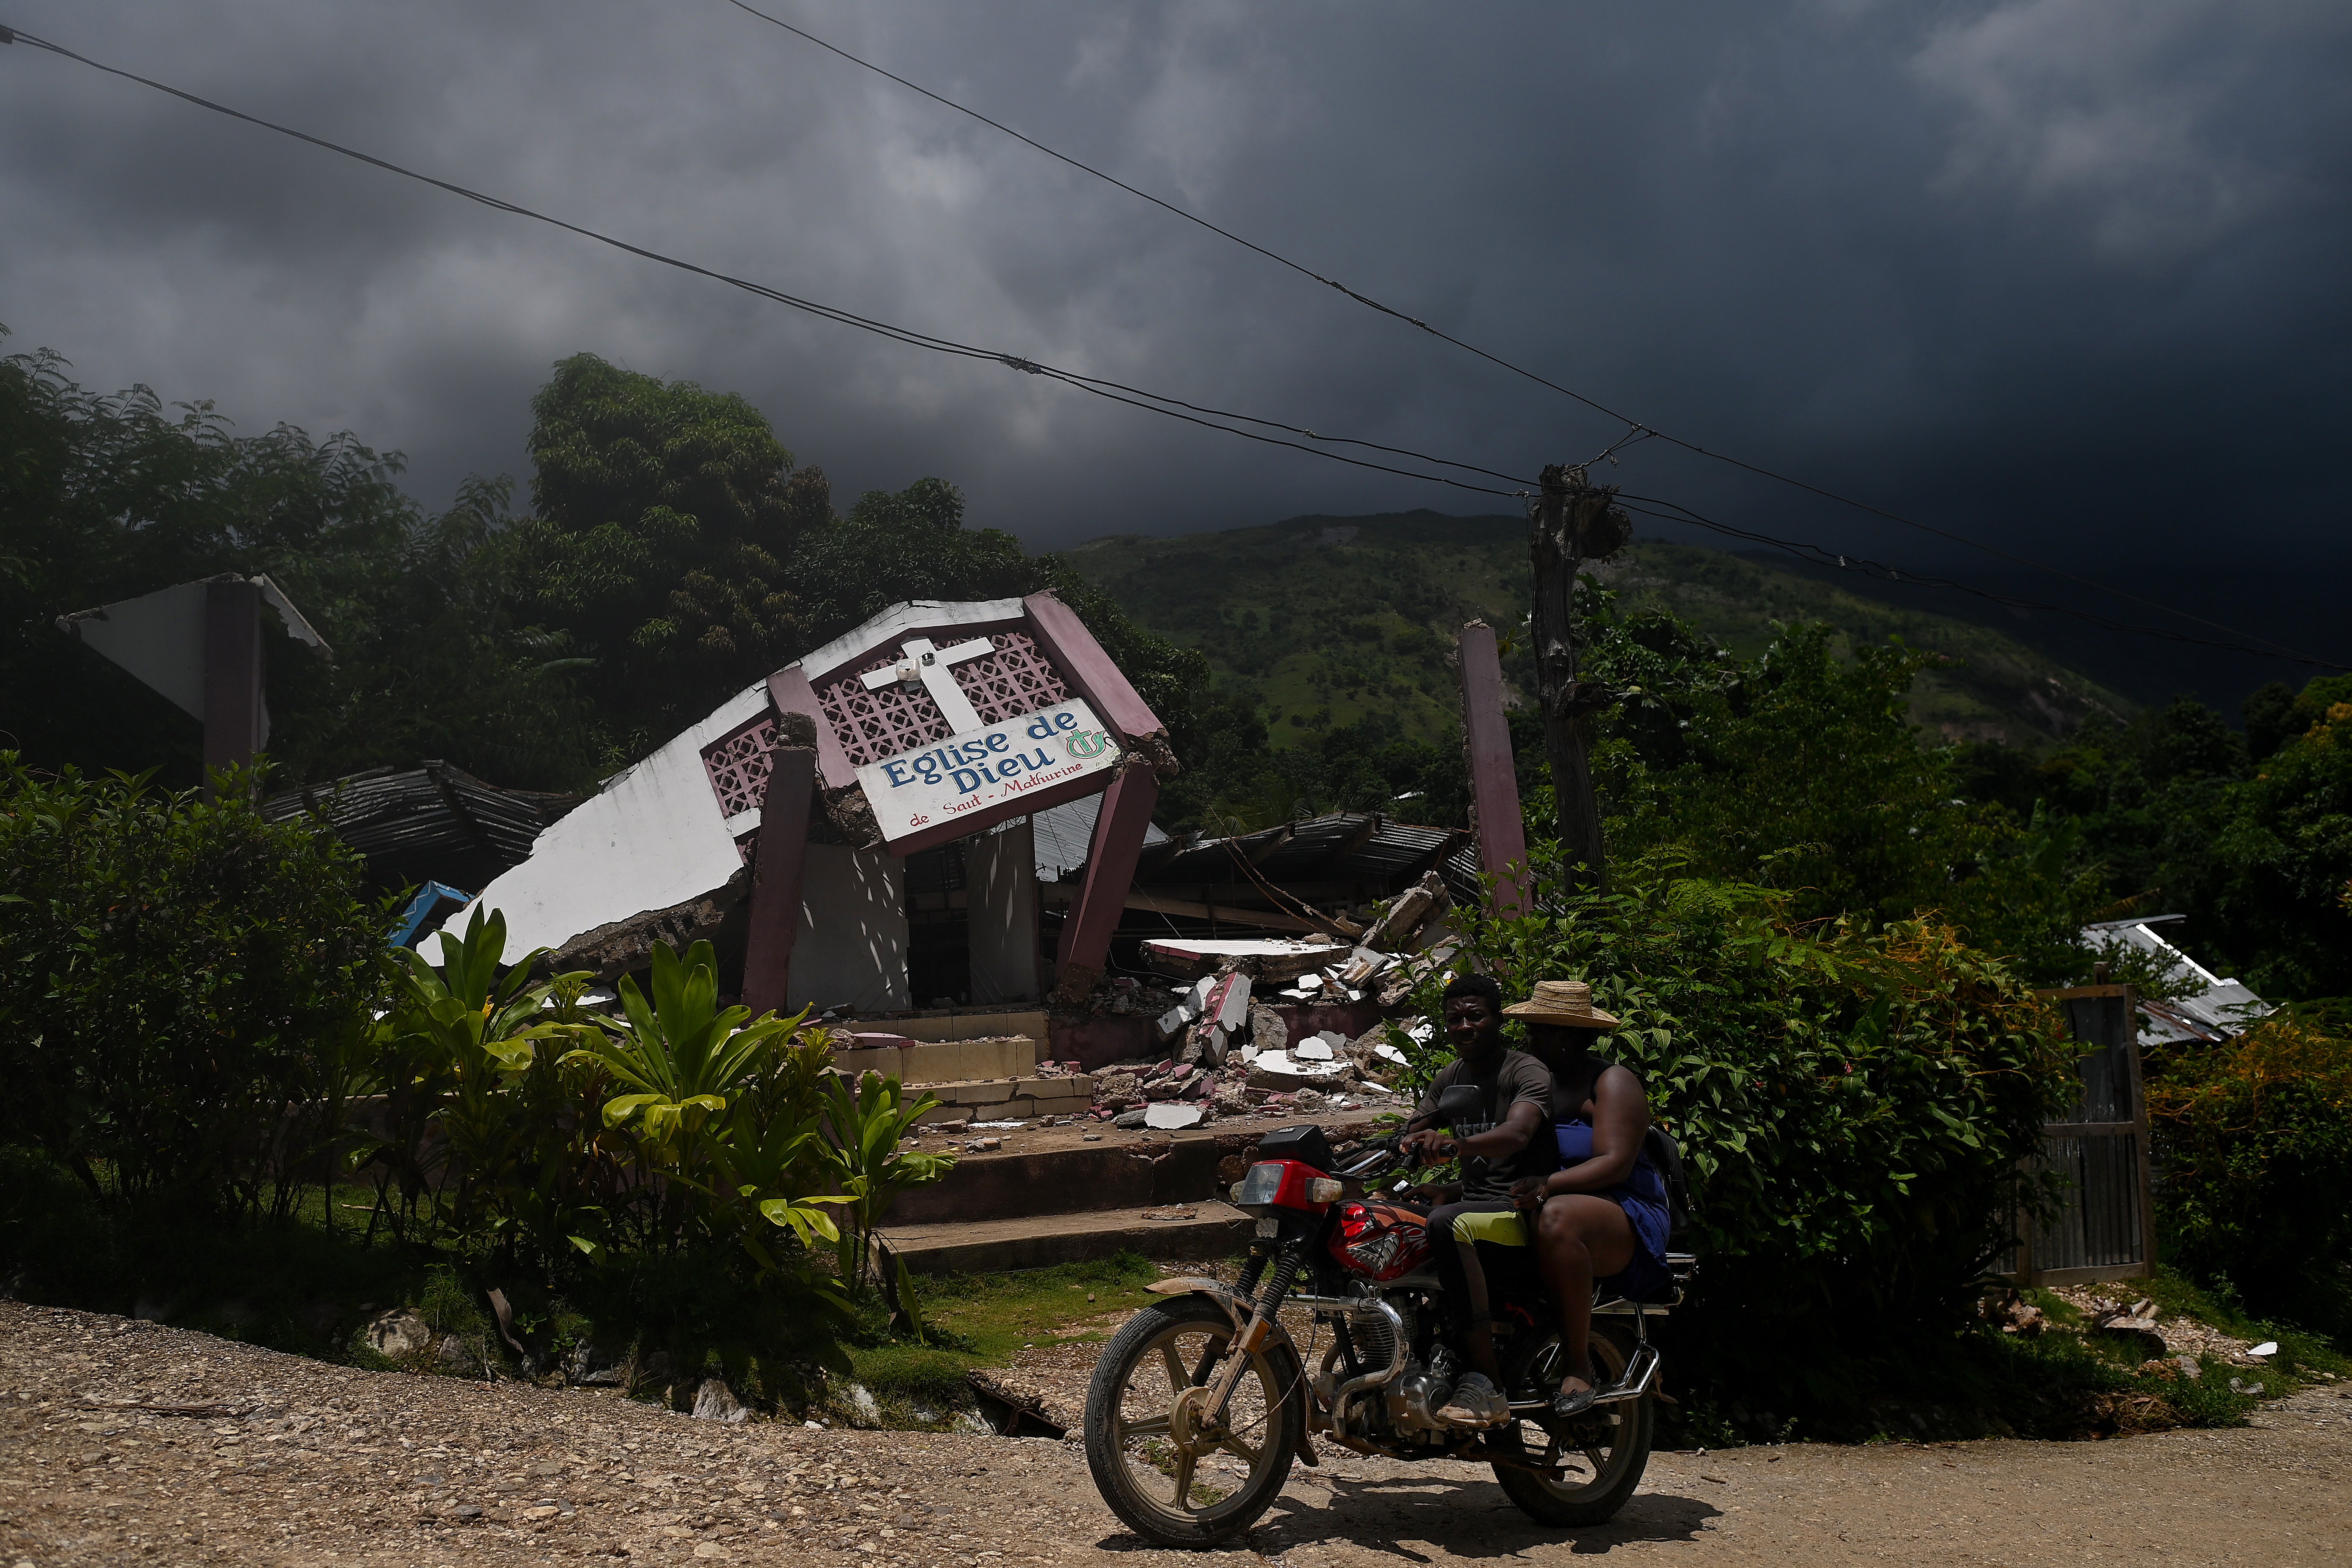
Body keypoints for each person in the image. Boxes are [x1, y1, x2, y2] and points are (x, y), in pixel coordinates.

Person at [1505, 980, 1673, 1418]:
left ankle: (1578, 1362)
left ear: (1569, 1035)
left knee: (1558, 1217)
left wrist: (1548, 1185)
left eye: (1539, 1030)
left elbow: (1615, 1163)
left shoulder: (1612, 1081)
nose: (1529, 1039)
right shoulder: (1533, 1081)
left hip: (1621, 1208)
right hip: (1548, 1199)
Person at [1397, 973, 1556, 1429]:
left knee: (1446, 1223)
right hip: (1474, 1201)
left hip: (1519, 1207)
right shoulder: (1453, 1076)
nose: (1464, 1026)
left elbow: (1519, 1133)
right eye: (1454, 1019)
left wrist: (1452, 1146)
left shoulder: (1524, 1070)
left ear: (1498, 1019)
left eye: (1475, 1016)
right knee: (1385, 1216)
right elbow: (1416, 1124)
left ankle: (1486, 1381)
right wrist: (1405, 1143)